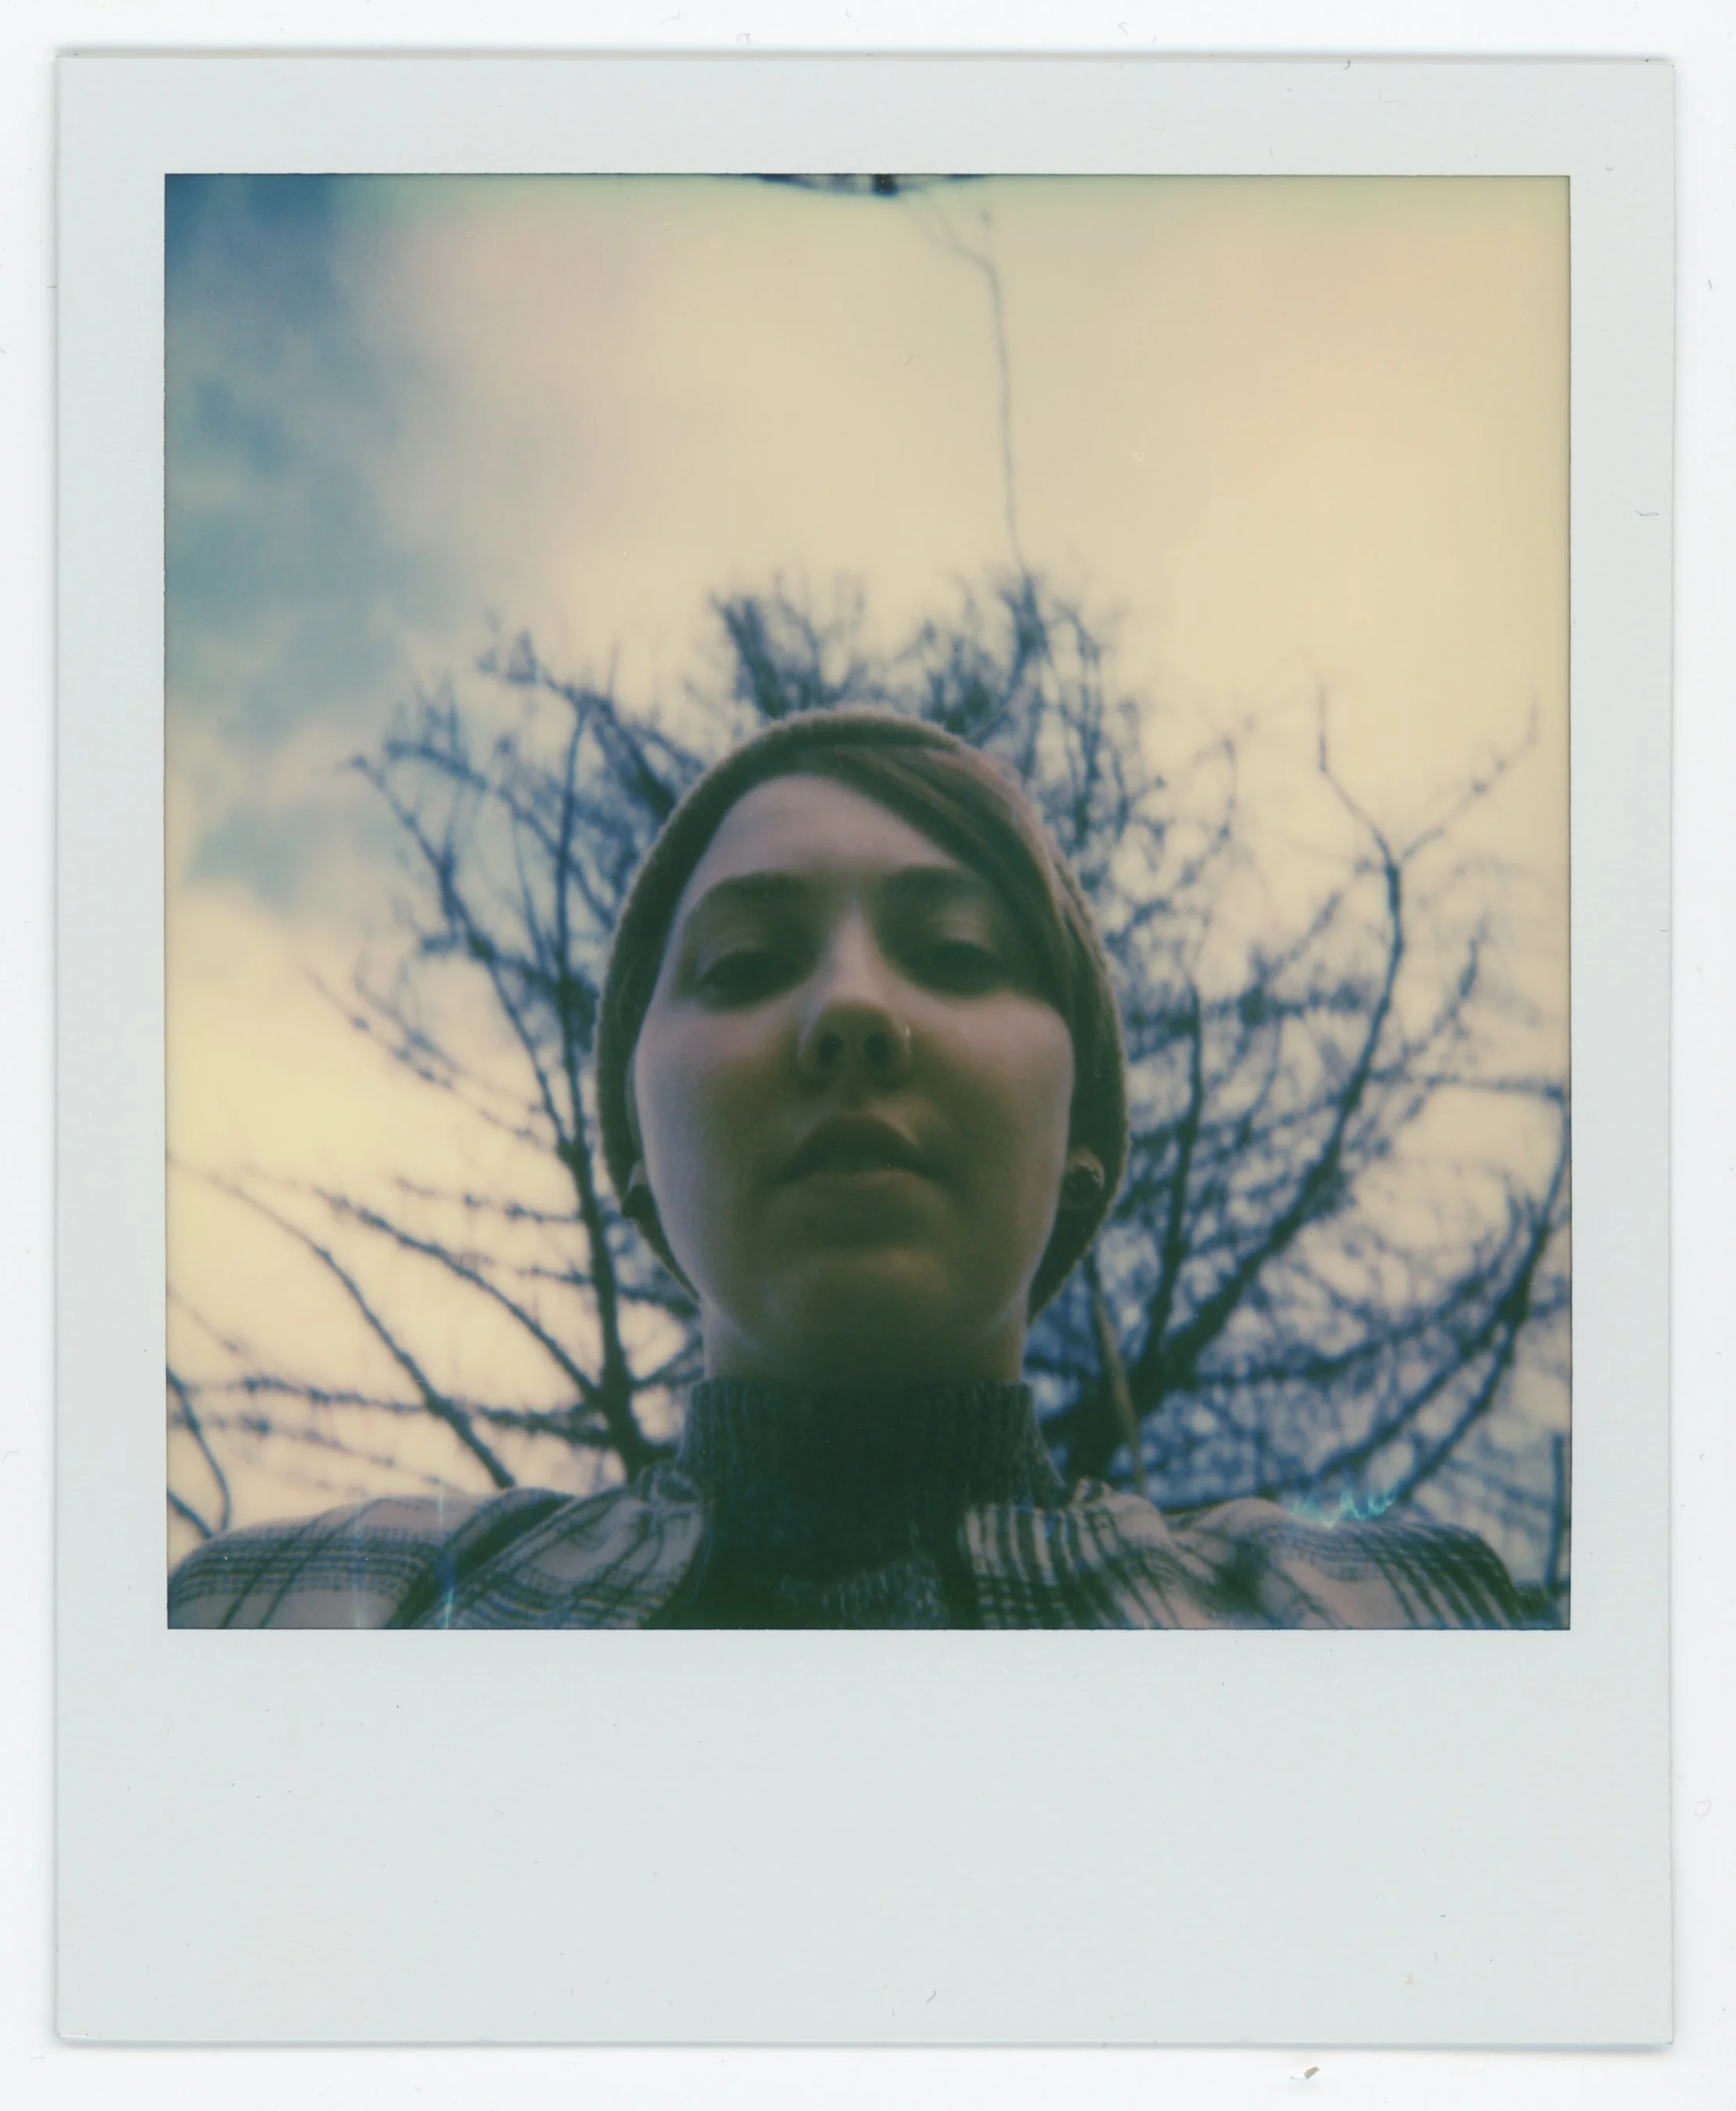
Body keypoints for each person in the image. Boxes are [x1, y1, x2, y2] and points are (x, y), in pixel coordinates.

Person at [170, 710, 1529, 1629]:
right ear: (636, 1163)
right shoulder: (304, 1608)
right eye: (745, 965)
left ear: (1082, 1147)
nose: (854, 1011)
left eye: (957, 955)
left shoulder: (1383, 1615)